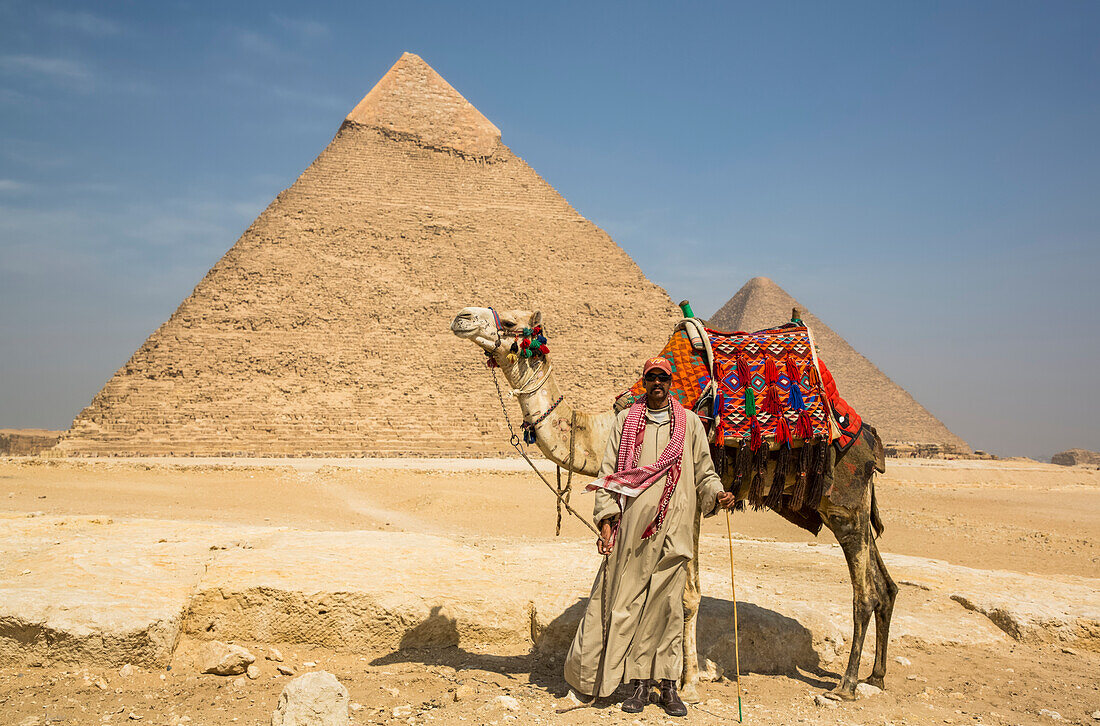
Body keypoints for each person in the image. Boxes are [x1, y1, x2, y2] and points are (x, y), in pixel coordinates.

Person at [563, 357, 735, 716]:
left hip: (675, 529)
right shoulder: (626, 421)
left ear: (671, 382)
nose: (657, 383)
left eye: (663, 378)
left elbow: (704, 471)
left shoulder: (688, 423)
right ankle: (637, 684)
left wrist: (717, 493)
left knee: (669, 608)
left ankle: (668, 685)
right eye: (651, 377)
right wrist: (606, 517)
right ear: (643, 381)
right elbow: (610, 472)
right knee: (627, 604)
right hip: (633, 532)